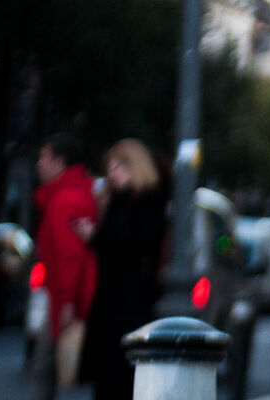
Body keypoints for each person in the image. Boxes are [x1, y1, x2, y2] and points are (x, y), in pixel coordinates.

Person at [77, 139, 167, 400]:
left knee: (122, 374)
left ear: (135, 167)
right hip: (112, 299)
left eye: (119, 167)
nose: (113, 173)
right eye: (111, 167)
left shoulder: (147, 201)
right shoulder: (118, 200)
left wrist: (95, 238)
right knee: (109, 375)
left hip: (129, 300)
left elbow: (133, 246)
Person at [31, 132, 99, 398]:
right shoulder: (77, 193)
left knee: (44, 369)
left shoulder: (62, 199)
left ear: (60, 162)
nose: (39, 163)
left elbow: (68, 255)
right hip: (68, 295)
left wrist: (67, 302)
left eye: (44, 156)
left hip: (64, 297)